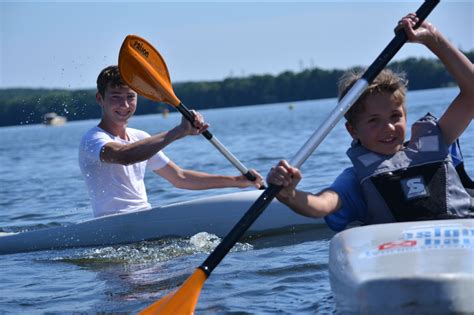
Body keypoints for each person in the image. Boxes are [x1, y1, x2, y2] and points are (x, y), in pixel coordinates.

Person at [266, 13, 474, 231]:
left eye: (395, 116)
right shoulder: (354, 179)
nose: (389, 128)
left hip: (463, 237)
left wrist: (433, 38)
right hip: (403, 252)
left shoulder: (437, 140)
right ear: (352, 130)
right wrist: (289, 195)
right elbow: (320, 205)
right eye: (374, 120)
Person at [79, 65, 263, 218]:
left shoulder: (140, 137)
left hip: (143, 217)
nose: (125, 105)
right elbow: (125, 156)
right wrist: (179, 131)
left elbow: (180, 177)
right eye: (116, 97)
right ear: (100, 99)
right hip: (111, 226)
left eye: (130, 97)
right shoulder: (93, 139)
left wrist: (238, 181)